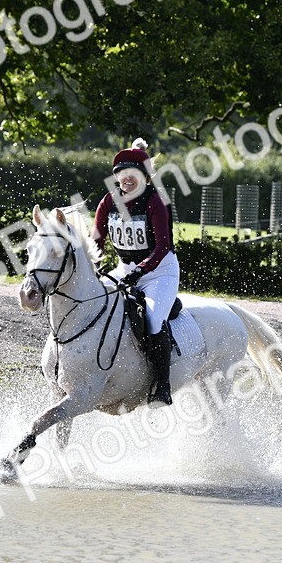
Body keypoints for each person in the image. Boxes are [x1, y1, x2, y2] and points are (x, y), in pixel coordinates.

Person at [92, 138, 179, 408]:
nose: (126, 179)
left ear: (144, 177)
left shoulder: (156, 202)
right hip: (124, 269)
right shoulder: (109, 201)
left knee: (152, 320)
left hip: (159, 273)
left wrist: (141, 270)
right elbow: (96, 238)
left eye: (133, 174)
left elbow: (163, 246)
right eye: (121, 174)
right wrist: (92, 264)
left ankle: (161, 386)